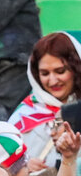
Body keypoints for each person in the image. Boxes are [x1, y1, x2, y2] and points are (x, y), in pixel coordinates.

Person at [9, 32, 81, 168]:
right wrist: (21, 167)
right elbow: (0, 166)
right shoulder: (24, 115)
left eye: (60, 71)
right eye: (45, 73)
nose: (52, 81)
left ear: (76, 69)